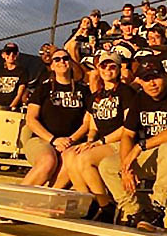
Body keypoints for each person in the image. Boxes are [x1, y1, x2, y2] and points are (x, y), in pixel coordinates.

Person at [99, 60, 167, 232]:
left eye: (156, 78)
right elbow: (127, 134)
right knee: (107, 165)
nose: (151, 83)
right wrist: (126, 166)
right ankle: (134, 212)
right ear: (140, 82)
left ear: (165, 76)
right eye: (146, 79)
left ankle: (157, 209)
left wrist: (139, 147)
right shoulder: (140, 98)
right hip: (153, 154)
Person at [65, 52, 134, 223]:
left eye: (112, 66)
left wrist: (99, 142)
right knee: (69, 155)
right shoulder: (96, 95)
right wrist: (89, 141)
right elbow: (92, 125)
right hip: (101, 142)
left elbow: (127, 128)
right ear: (98, 68)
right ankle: (89, 201)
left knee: (84, 159)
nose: (107, 70)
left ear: (119, 69)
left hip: (120, 142)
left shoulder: (126, 92)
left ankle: (105, 205)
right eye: (104, 66)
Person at [22, 49, 91, 187]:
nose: (62, 62)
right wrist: (53, 140)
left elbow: (87, 122)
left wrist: (70, 140)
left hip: (71, 142)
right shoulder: (43, 89)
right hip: (42, 140)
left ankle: (46, 201)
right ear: (52, 66)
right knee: (48, 161)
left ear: (70, 63)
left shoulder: (84, 91)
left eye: (65, 58)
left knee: (70, 162)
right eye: (57, 59)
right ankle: (15, 198)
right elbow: (31, 119)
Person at [0, 42, 28, 108]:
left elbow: (19, 94)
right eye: (8, 53)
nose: (11, 55)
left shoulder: (22, 72)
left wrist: (11, 107)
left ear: (17, 55)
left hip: (13, 108)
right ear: (3, 55)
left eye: (14, 53)